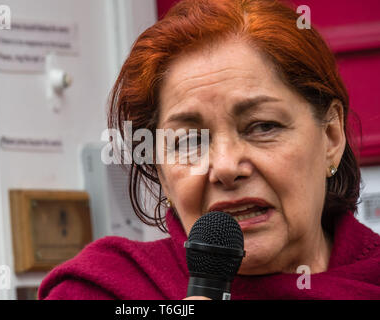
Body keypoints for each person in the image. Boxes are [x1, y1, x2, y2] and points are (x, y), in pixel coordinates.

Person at [38, 0, 380, 299]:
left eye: (263, 126)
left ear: (332, 137)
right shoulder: (103, 290)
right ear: (160, 172)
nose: (226, 166)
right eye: (189, 141)